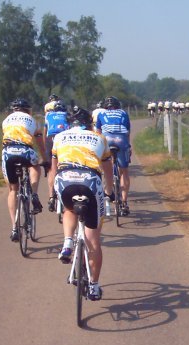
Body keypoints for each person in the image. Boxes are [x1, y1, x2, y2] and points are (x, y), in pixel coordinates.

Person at [52, 107, 114, 301]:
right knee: (93, 239)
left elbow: (53, 170)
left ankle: (68, 241)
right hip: (90, 181)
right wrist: (109, 193)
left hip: (64, 179)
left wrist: (52, 195)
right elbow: (108, 169)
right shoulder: (99, 138)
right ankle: (94, 287)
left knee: (69, 208)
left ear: (70, 124)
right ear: (89, 124)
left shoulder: (59, 137)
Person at [1, 98, 46, 242]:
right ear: (28, 110)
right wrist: (44, 159)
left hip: (8, 152)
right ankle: (34, 193)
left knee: (13, 190)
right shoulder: (32, 120)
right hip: (25, 150)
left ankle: (14, 227)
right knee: (35, 166)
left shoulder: (6, 120)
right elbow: (39, 142)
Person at [94, 96, 132, 215]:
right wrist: (128, 146)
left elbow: (98, 133)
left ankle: (107, 188)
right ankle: (124, 203)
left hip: (107, 140)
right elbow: (127, 132)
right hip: (121, 140)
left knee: (106, 166)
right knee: (124, 171)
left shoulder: (101, 113)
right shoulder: (124, 113)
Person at [43, 100, 69, 211]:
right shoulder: (67, 116)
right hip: (63, 139)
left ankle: (51, 197)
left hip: (50, 139)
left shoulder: (48, 115)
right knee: (66, 166)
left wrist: (45, 148)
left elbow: (45, 132)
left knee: (51, 170)